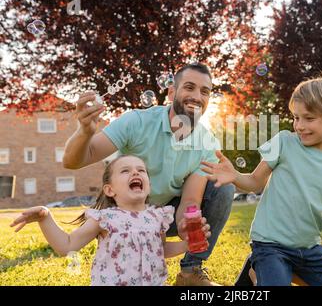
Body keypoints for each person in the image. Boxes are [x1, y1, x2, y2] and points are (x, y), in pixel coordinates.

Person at [62, 63, 235, 286]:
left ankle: (190, 272)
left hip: (163, 215)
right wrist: (84, 132)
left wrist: (187, 226)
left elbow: (191, 200)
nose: (196, 96)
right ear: (172, 92)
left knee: (224, 188)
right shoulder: (137, 121)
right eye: (189, 87)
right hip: (124, 213)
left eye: (204, 91)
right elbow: (73, 161)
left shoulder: (207, 143)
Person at [201, 76, 322, 286]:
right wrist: (235, 176)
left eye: (308, 118)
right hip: (270, 245)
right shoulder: (284, 142)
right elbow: (255, 182)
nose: (299, 126)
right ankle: (260, 270)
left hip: (309, 249)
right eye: (296, 117)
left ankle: (276, 272)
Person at [10, 155, 211, 286]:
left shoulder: (157, 217)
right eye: (125, 171)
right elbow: (66, 246)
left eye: (141, 170)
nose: (135, 172)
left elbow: (159, 250)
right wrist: (45, 217)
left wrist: (187, 245)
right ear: (109, 189)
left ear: (148, 186)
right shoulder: (105, 219)